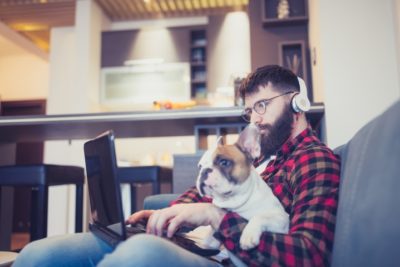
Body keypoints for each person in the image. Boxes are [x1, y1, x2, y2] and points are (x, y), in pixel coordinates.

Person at [14, 65, 340, 267]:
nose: (254, 118)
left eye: (263, 106)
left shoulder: (313, 160)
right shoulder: (265, 155)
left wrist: (216, 218)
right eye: (250, 111)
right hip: (200, 243)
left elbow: (307, 256)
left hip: (229, 258)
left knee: (138, 255)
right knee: (37, 256)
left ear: (298, 102)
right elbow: (211, 195)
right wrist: (168, 215)